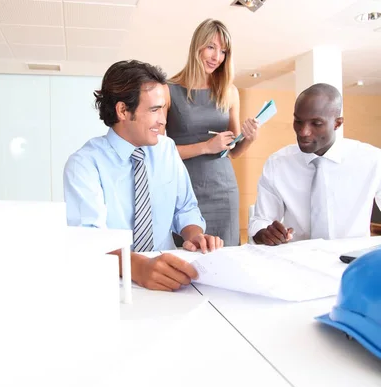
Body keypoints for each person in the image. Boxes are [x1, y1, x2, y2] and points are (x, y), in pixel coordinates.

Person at [64, 60, 223, 291]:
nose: (164, 120)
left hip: (169, 277)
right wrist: (139, 267)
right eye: (154, 110)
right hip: (114, 282)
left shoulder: (167, 149)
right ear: (122, 111)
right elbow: (90, 240)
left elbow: (185, 209)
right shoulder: (84, 165)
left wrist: (195, 235)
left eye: (164, 109)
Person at [165, 19, 259, 247]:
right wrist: (207, 147)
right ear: (196, 46)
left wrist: (249, 138)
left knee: (226, 260)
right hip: (183, 190)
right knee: (185, 261)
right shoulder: (168, 90)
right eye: (211, 47)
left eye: (223, 51)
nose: (217, 57)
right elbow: (159, 151)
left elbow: (234, 151)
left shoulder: (229, 91)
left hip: (223, 190)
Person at [249, 83, 381, 245]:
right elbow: (260, 221)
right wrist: (265, 233)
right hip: (295, 261)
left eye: (316, 124)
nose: (303, 132)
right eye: (298, 121)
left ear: (337, 123)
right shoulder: (278, 164)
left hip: (352, 263)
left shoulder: (372, 160)